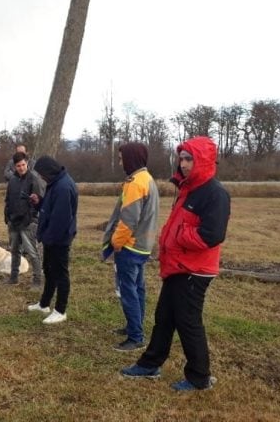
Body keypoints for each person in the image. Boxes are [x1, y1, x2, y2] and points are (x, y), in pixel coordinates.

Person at [120, 136, 230, 392]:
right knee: (165, 317)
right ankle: (150, 364)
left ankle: (199, 377)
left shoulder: (215, 193)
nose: (183, 164)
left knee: (188, 321)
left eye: (189, 158)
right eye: (181, 158)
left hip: (194, 270)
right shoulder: (188, 188)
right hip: (178, 266)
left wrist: (177, 237)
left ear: (202, 160)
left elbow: (211, 235)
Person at [102, 142, 160, 351]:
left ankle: (135, 337)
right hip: (143, 246)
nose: (120, 162)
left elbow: (128, 220)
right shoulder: (147, 179)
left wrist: (116, 243)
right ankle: (134, 326)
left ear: (130, 158)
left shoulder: (136, 183)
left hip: (131, 247)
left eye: (121, 158)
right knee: (138, 289)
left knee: (129, 291)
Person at [26, 156, 78, 324]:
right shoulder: (55, 183)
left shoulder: (63, 187)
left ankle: (60, 310)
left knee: (60, 274)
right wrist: (38, 202)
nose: (40, 177)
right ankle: (44, 304)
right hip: (50, 238)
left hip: (59, 239)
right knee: (49, 270)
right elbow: (49, 208)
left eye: (41, 174)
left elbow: (60, 220)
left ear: (49, 171)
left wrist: (46, 238)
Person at [4, 151, 45, 288]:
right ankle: (13, 277)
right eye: (18, 165)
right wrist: (7, 216)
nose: (21, 168)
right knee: (14, 251)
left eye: (23, 164)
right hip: (13, 221)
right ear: (14, 166)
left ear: (27, 163)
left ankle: (37, 280)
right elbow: (8, 199)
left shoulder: (34, 179)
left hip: (28, 222)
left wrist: (31, 218)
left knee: (33, 252)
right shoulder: (13, 181)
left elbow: (39, 201)